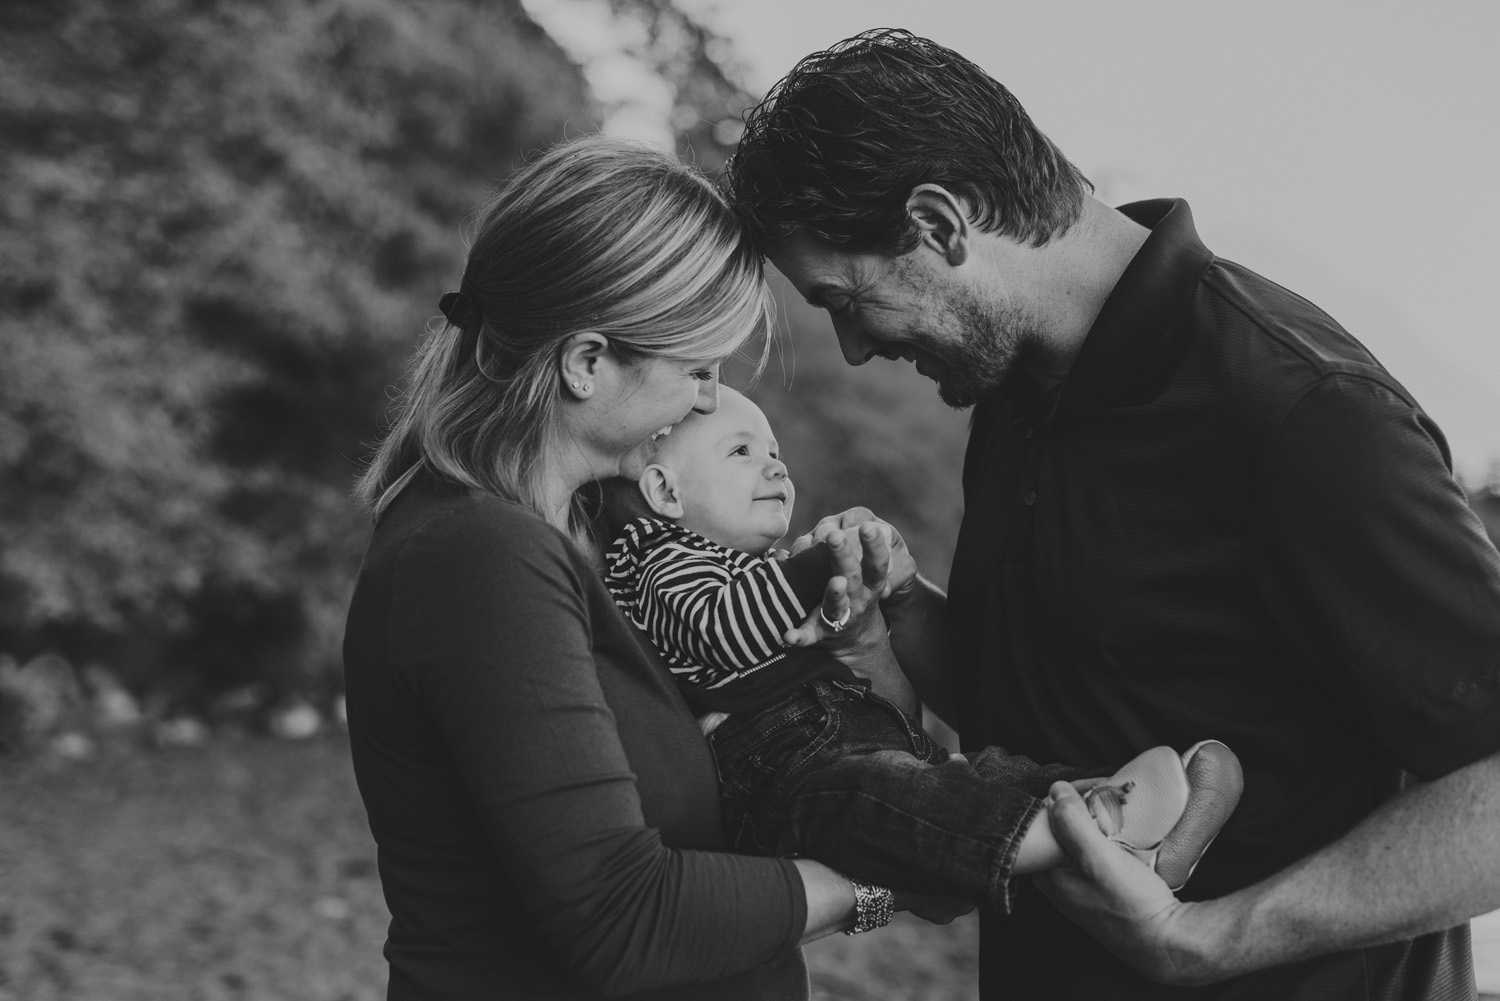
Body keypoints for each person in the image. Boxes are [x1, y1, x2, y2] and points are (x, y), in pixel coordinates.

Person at [720, 27, 1500, 1001]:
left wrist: (1207, 938)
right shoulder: (1014, 384)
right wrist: (902, 617)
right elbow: (1059, 706)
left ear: (941, 224)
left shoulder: (1306, 414)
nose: (853, 347)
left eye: (845, 298)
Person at [342, 134, 957, 1001]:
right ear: (587, 362)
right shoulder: (480, 556)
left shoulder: (601, 538)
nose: (709, 399)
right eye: (697, 369)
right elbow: (626, 917)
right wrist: (878, 881)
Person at [602, 385, 1243, 912]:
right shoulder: (660, 562)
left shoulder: (751, 564)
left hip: (849, 738)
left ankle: (1116, 799)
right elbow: (720, 626)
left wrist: (856, 599)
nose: (777, 467)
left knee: (980, 774)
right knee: (893, 801)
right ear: (665, 492)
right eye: (742, 452)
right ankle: (1079, 831)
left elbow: (870, 690)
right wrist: (818, 566)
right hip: (785, 774)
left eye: (776, 452)